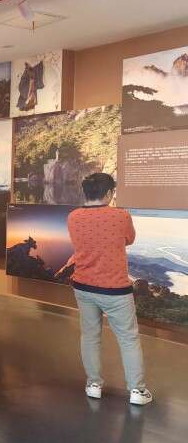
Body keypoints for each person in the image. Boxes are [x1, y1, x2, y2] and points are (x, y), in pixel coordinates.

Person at [65, 173, 152, 406]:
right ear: (109, 193)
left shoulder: (73, 217)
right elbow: (129, 239)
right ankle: (137, 391)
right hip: (115, 290)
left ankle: (93, 385)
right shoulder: (121, 215)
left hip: (83, 286)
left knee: (90, 335)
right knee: (128, 338)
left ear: (86, 192)